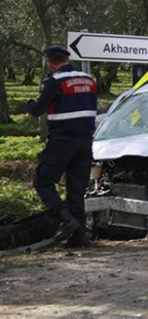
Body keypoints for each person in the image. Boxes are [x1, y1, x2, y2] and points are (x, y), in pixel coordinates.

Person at [27, 45, 97, 247]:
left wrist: (31, 103)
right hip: (85, 142)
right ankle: (79, 238)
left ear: (50, 63)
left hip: (62, 141)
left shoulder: (54, 81)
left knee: (43, 181)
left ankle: (67, 221)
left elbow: (36, 110)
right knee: (76, 189)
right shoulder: (88, 79)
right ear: (67, 59)